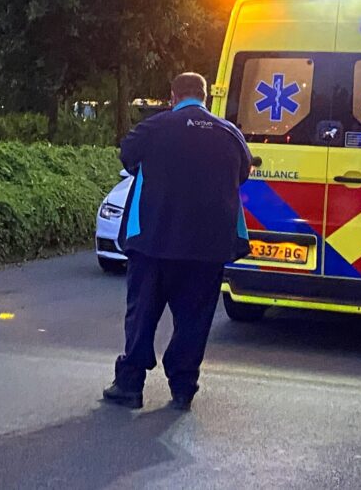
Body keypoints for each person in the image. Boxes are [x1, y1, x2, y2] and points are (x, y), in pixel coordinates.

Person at [102, 72, 252, 411]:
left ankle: (130, 385)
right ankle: (183, 387)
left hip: (154, 241)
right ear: (204, 97)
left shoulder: (154, 128)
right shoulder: (230, 134)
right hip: (207, 248)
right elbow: (243, 173)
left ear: (173, 96)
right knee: (194, 320)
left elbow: (128, 156)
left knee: (142, 314)